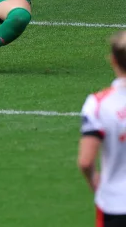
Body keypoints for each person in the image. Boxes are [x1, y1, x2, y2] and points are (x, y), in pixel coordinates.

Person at [78, 31, 126, 227]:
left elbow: (86, 161)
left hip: (115, 203)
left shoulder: (98, 104)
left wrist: (95, 183)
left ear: (113, 60)